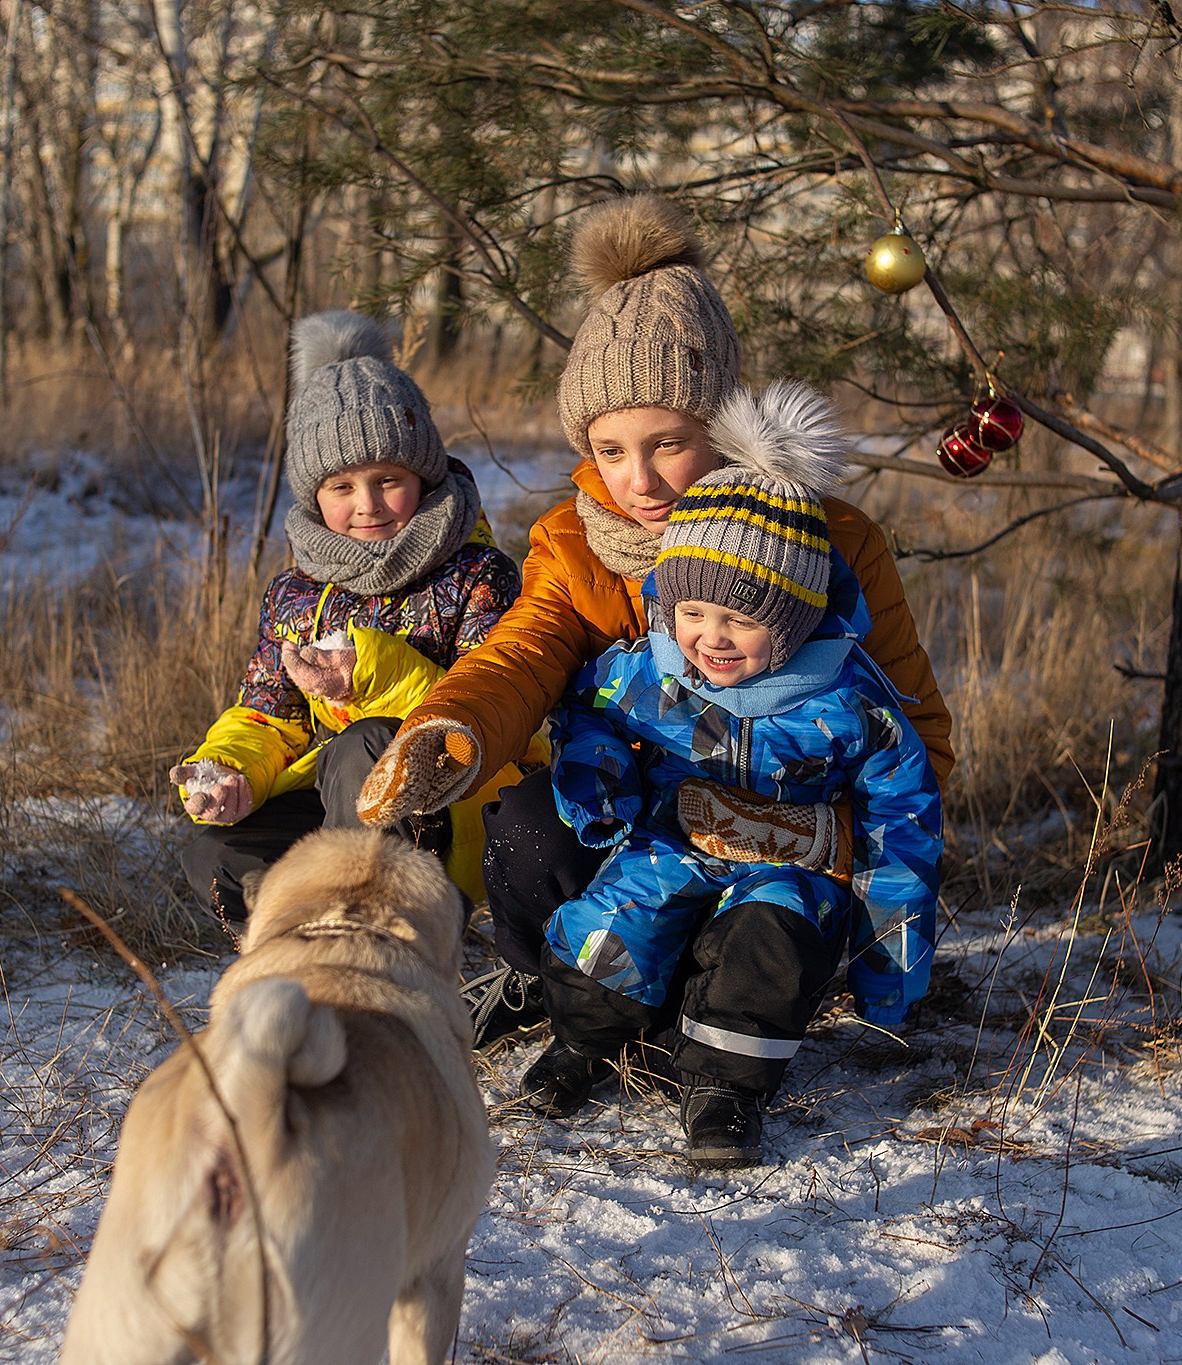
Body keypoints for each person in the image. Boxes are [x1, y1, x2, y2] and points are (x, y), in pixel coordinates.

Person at [355, 194, 956, 1041]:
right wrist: (451, 725)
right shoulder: (574, 541)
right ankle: (551, 983)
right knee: (530, 824)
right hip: (637, 826)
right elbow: (522, 655)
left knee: (752, 948)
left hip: (784, 850)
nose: (640, 481)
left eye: (669, 442)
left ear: (725, 425)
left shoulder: (829, 540)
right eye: (610, 450)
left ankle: (724, 990)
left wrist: (833, 839)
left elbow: (917, 732)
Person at [523, 382, 943, 1168]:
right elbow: (587, 715)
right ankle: (580, 1040)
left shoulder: (852, 703)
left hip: (793, 862)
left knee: (770, 944)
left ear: (789, 620)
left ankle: (723, 1088)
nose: (710, 639)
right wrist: (601, 784)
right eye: (692, 614)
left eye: (740, 619)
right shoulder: (649, 672)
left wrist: (889, 969)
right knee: (613, 920)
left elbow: (904, 824)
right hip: (673, 838)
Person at [170, 310, 531, 916]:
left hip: (448, 811)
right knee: (216, 859)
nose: (367, 505)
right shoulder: (295, 591)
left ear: (422, 475)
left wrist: (374, 673)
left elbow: (491, 720)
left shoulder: (477, 575)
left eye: (387, 479)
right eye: (341, 487)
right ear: (314, 495)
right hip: (341, 805)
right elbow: (268, 714)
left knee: (364, 745)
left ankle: (376, 947)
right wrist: (232, 769)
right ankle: (308, 948)